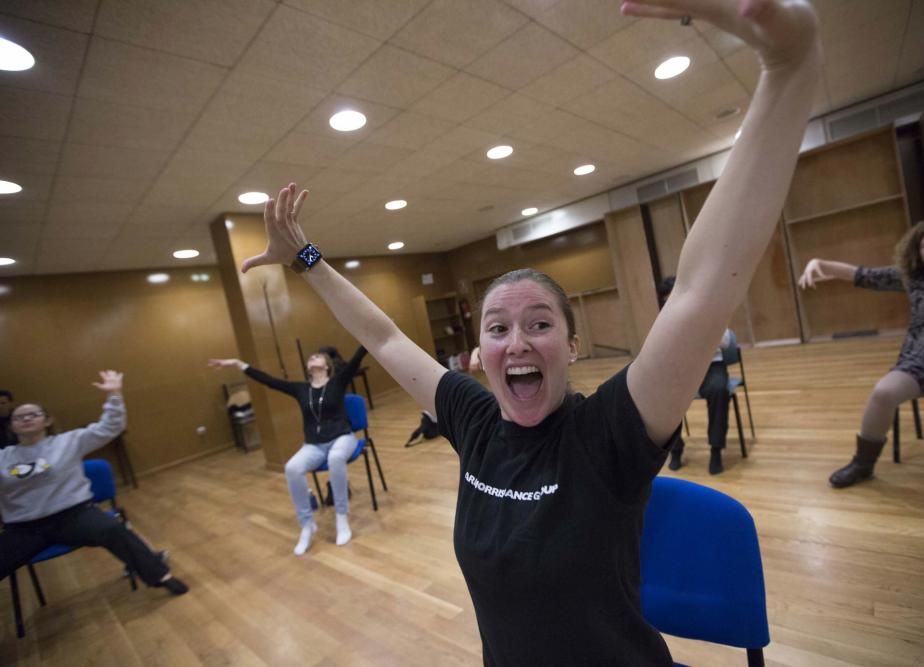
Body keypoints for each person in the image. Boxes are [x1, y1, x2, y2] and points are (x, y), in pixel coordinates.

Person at [238, 1, 821, 663]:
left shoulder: (608, 435)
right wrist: (307, 259)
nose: (516, 341)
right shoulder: (475, 419)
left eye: (539, 324)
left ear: (571, 347)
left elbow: (701, 288)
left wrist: (789, 64)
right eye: (498, 328)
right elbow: (387, 337)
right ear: (480, 352)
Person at [799, 215, 924, 488]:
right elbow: (860, 274)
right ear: (918, 250)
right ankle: (863, 464)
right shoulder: (912, 278)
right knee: (883, 392)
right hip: (922, 358)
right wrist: (818, 264)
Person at [0, 371, 188, 596]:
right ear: (11, 427)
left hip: (74, 516)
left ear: (47, 420)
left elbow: (110, 428)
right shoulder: (4, 457)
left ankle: (160, 576)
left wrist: (114, 394)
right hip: (25, 528)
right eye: (19, 417)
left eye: (33, 414)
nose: (27, 419)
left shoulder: (68, 441)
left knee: (113, 529)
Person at [209, 346, 367, 553]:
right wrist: (238, 364)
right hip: (315, 445)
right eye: (311, 357)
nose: (313, 357)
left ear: (327, 366)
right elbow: (268, 380)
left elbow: (356, 359)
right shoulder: (301, 389)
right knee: (292, 467)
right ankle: (307, 525)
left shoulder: (338, 382)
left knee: (337, 457)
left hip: (343, 438)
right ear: (309, 368)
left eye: (318, 356)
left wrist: (370, 336)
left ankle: (341, 517)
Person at [656, 276, 737, 474]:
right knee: (663, 397)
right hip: (684, 370)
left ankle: (716, 449)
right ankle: (675, 449)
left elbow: (727, 343)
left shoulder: (708, 311)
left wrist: (705, 326)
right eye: (666, 300)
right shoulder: (666, 320)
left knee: (718, 390)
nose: (670, 303)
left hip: (712, 366)